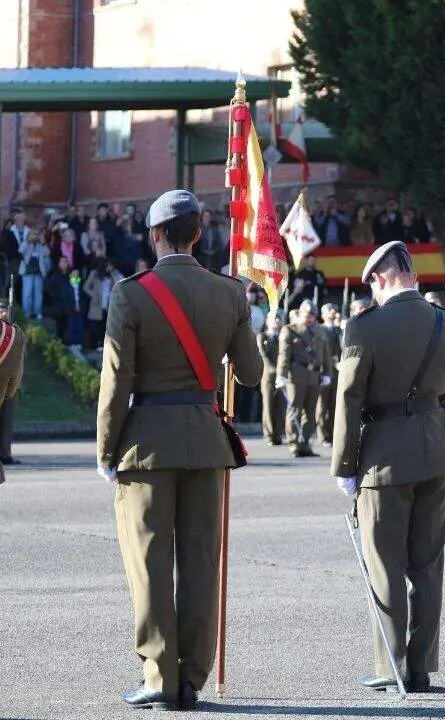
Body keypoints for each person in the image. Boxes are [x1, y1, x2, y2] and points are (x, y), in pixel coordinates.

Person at [96, 189, 262, 710]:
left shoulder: (132, 293)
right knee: (199, 564)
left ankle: (157, 675)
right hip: (206, 440)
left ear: (154, 235)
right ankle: (192, 676)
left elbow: (116, 380)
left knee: (147, 561)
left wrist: (105, 449)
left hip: (145, 443)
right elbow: (252, 375)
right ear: (198, 234)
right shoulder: (229, 292)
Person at [331, 240, 445, 693]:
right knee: (428, 564)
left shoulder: (364, 328)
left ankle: (393, 666)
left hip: (384, 457)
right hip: (436, 451)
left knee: (385, 564)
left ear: (380, 277)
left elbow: (348, 399)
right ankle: (421, 667)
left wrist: (344, 465)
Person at [277, 300, 332, 457]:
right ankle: (294, 443)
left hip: (314, 376)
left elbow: (326, 354)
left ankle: (305, 444)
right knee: (294, 409)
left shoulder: (320, 331)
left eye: (313, 315)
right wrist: (281, 374)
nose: (311, 318)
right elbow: (284, 354)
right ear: (300, 313)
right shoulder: (290, 329)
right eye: (308, 315)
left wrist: (328, 373)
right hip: (296, 375)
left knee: (310, 411)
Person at [0, 299, 25, 472]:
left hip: (10, 383)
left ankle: (5, 452)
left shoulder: (13, 333)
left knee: (7, 422)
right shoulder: (12, 334)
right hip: (8, 381)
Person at [257, 310, 286, 446]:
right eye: (273, 319)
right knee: (268, 405)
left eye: (278, 319)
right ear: (267, 321)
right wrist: (277, 370)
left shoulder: (283, 338)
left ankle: (278, 434)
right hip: (268, 376)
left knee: (281, 406)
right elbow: (264, 356)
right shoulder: (262, 337)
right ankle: (269, 434)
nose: (276, 321)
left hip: (282, 377)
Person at [316, 302, 342, 447]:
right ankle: (322, 435)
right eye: (329, 310)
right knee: (322, 405)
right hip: (324, 371)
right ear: (323, 314)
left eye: (334, 309)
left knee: (334, 405)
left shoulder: (339, 330)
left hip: (338, 371)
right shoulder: (319, 330)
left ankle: (332, 434)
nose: (333, 311)